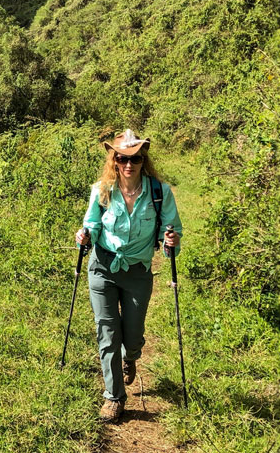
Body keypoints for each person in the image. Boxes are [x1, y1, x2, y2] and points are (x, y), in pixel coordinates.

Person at [73, 129, 182, 422]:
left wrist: (171, 242)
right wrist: (84, 236)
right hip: (102, 267)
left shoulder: (160, 193)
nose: (128, 165)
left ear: (143, 160)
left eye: (134, 159)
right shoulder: (102, 190)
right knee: (107, 333)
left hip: (137, 271)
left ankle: (130, 357)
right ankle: (114, 397)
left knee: (131, 337)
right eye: (122, 158)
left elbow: (171, 232)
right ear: (114, 160)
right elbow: (92, 224)